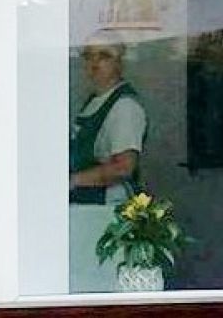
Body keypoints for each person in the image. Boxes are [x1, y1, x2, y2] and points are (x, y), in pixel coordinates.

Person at [67, 34, 148, 292]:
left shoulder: (125, 107)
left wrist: (71, 181)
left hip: (105, 212)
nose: (94, 64)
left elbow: (124, 166)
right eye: (89, 56)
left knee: (98, 283)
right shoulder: (94, 101)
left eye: (104, 56)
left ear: (120, 62)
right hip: (84, 210)